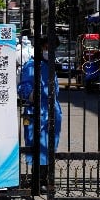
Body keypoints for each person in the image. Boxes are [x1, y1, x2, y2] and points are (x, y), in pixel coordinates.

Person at [17, 36, 62, 176]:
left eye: (52, 48)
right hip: (36, 111)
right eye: (47, 47)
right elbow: (22, 89)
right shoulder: (31, 65)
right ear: (41, 47)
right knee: (37, 145)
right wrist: (33, 94)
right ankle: (38, 179)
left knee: (50, 146)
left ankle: (45, 178)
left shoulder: (50, 65)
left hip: (52, 110)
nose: (49, 51)